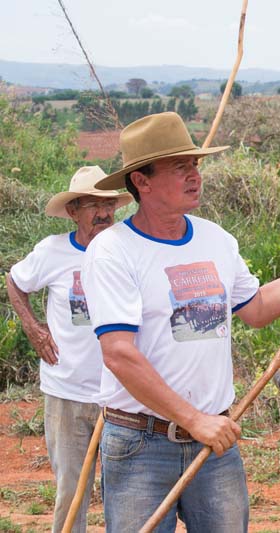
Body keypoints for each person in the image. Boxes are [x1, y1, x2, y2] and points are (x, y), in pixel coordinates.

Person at [81, 112, 280, 532]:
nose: (195, 175)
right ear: (141, 181)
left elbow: (258, 308)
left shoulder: (215, 239)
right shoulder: (112, 252)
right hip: (141, 445)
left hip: (216, 442)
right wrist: (193, 419)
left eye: (195, 164)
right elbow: (120, 355)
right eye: (179, 167)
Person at [6, 166, 133, 533]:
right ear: (74, 211)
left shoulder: (127, 249)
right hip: (68, 394)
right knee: (71, 493)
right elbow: (15, 282)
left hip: (123, 397)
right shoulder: (53, 251)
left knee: (124, 494)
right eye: (93, 204)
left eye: (108, 203)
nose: (103, 213)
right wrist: (34, 329)